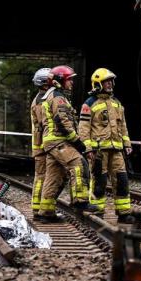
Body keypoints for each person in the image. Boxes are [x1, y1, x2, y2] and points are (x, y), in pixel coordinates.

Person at [37, 65, 97, 221]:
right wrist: (78, 142)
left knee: (54, 177)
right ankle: (80, 201)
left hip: (51, 142)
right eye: (69, 79)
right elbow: (62, 122)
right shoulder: (58, 97)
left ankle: (46, 212)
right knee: (79, 164)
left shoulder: (53, 95)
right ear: (59, 81)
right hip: (59, 141)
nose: (72, 83)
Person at [78, 68, 133, 223]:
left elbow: (123, 126)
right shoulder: (89, 104)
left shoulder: (117, 103)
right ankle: (97, 212)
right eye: (106, 81)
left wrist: (126, 143)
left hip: (116, 150)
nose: (109, 84)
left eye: (110, 81)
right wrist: (88, 148)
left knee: (122, 180)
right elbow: (83, 129)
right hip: (98, 152)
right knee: (99, 181)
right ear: (98, 84)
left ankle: (124, 213)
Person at [29, 67, 51, 217]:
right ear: (45, 83)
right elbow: (46, 124)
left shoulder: (41, 98)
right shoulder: (41, 101)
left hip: (42, 145)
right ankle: (38, 208)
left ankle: (40, 207)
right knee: (42, 176)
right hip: (42, 145)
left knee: (43, 176)